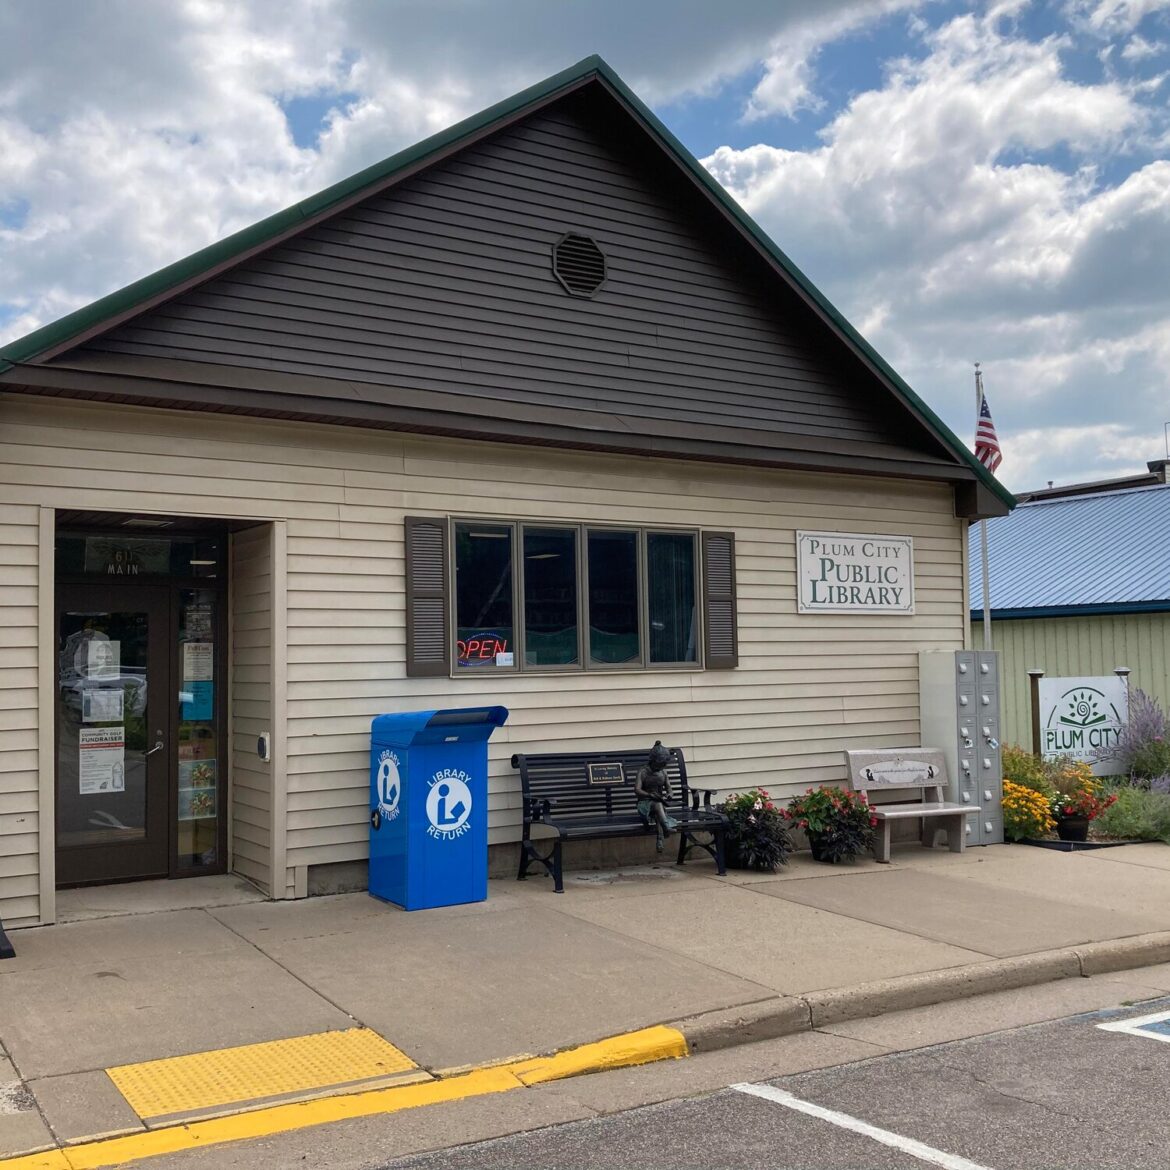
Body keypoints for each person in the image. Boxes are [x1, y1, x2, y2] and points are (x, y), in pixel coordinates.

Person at [635, 740, 677, 852]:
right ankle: (666, 828)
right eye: (661, 763)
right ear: (653, 761)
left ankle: (660, 840)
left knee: (659, 808)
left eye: (664, 764)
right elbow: (637, 790)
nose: (663, 766)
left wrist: (669, 794)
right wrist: (649, 795)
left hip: (659, 803)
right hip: (645, 803)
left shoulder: (663, 772)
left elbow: (669, 788)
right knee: (659, 806)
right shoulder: (643, 772)